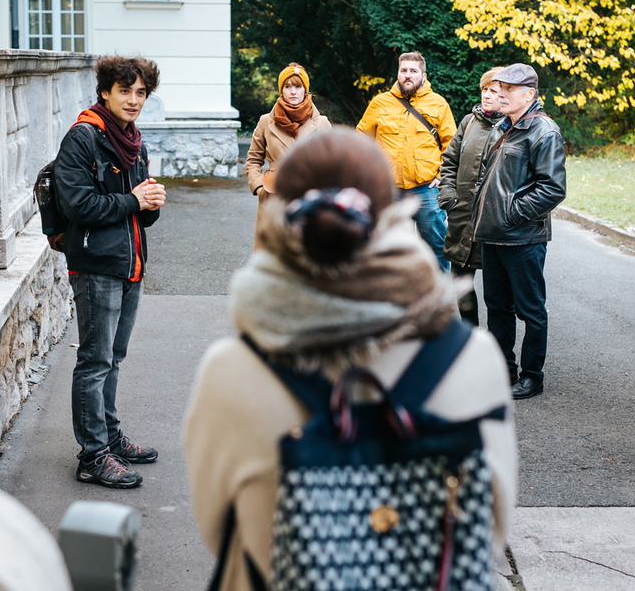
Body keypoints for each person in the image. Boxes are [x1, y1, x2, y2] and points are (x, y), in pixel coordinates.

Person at [184, 128, 516, 590]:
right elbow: (492, 527)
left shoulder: (231, 370)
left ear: (281, 221)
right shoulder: (473, 357)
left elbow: (219, 531)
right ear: (393, 216)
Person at [54, 56, 167, 489]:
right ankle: (92, 455)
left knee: (113, 358)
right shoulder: (83, 138)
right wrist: (134, 202)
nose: (134, 100)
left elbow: (138, 212)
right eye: (126, 91)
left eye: (141, 92)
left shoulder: (132, 140)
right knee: (94, 360)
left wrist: (149, 203)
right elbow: (77, 206)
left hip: (129, 262)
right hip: (96, 265)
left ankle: (109, 437)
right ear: (105, 91)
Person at [470, 64, 567, 398]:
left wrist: (512, 214)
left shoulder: (543, 131)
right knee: (497, 307)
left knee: (531, 310)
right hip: (493, 235)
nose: (501, 94)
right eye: (500, 88)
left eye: (509, 89)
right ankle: (502, 371)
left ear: (530, 94)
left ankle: (532, 376)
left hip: (522, 237)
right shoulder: (504, 126)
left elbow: (553, 189)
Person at [357, 51, 457, 271]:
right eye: (404, 70)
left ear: (423, 75)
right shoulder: (379, 103)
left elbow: (452, 145)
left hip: (427, 190)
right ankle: (393, 299)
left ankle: (439, 299)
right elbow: (362, 141)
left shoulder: (439, 104)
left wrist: (442, 175)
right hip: (389, 190)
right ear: (398, 73)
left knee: (436, 247)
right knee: (388, 247)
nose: (408, 75)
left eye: (413, 71)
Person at [438, 66, 505, 327]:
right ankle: (470, 337)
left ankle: (496, 349)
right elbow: (449, 161)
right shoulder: (469, 122)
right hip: (461, 218)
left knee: (496, 294)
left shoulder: (513, 127)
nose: (487, 95)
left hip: (492, 225)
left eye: (494, 91)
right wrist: (448, 198)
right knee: (461, 285)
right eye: (485, 90)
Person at [246, 63, 331, 249]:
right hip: (273, 193)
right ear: (281, 90)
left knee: (306, 254)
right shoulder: (266, 121)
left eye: (298, 86)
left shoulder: (322, 123)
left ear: (305, 90)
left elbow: (332, 163)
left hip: (309, 196)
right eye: (288, 86)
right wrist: (259, 186)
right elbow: (253, 159)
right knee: (272, 256)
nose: (293, 92)